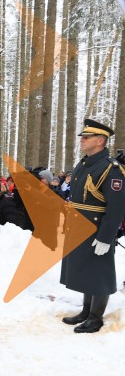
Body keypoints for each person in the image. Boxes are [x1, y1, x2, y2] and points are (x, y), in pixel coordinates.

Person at [60, 119, 125, 333]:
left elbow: (115, 208)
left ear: (100, 141)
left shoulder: (111, 169)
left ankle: (96, 318)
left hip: (97, 228)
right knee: (86, 270)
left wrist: (106, 237)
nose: (82, 140)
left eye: (86, 137)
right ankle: (87, 311)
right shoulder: (85, 163)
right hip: (80, 226)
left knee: (99, 272)